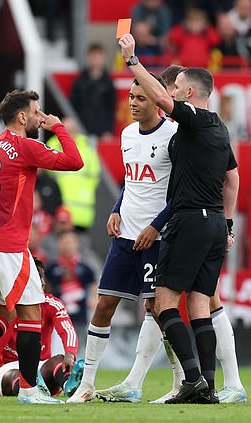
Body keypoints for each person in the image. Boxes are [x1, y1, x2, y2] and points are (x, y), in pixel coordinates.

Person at [118, 34, 239, 404]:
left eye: (178, 85)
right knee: (200, 305)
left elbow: (161, 99)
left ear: (188, 92)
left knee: (162, 303)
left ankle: (190, 379)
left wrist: (131, 60)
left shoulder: (194, 119)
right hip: (216, 223)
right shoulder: (219, 127)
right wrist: (229, 225)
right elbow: (232, 179)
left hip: (188, 221)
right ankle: (208, 387)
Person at [0, 89, 83, 404]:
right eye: (36, 112)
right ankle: (28, 389)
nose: (40, 117)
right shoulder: (25, 146)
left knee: (1, 317)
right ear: (22, 117)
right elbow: (74, 161)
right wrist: (58, 127)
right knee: (31, 311)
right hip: (8, 245)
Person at [67, 72, 178, 404]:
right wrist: (115, 209)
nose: (132, 103)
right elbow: (132, 181)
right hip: (125, 235)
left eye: (140, 97)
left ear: (157, 100)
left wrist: (156, 226)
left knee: (157, 309)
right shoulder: (128, 134)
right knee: (104, 304)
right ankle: (86, 384)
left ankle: (161, 380)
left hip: (157, 239)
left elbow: (181, 191)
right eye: (130, 97)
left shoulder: (174, 135)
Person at [0, 257, 83, 398]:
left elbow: (67, 330)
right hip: (9, 366)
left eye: (38, 279)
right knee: (16, 375)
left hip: (41, 365)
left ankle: (71, 387)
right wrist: (13, 312)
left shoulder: (51, 304)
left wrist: (70, 354)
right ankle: (27, 390)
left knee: (59, 359)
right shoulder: (2, 307)